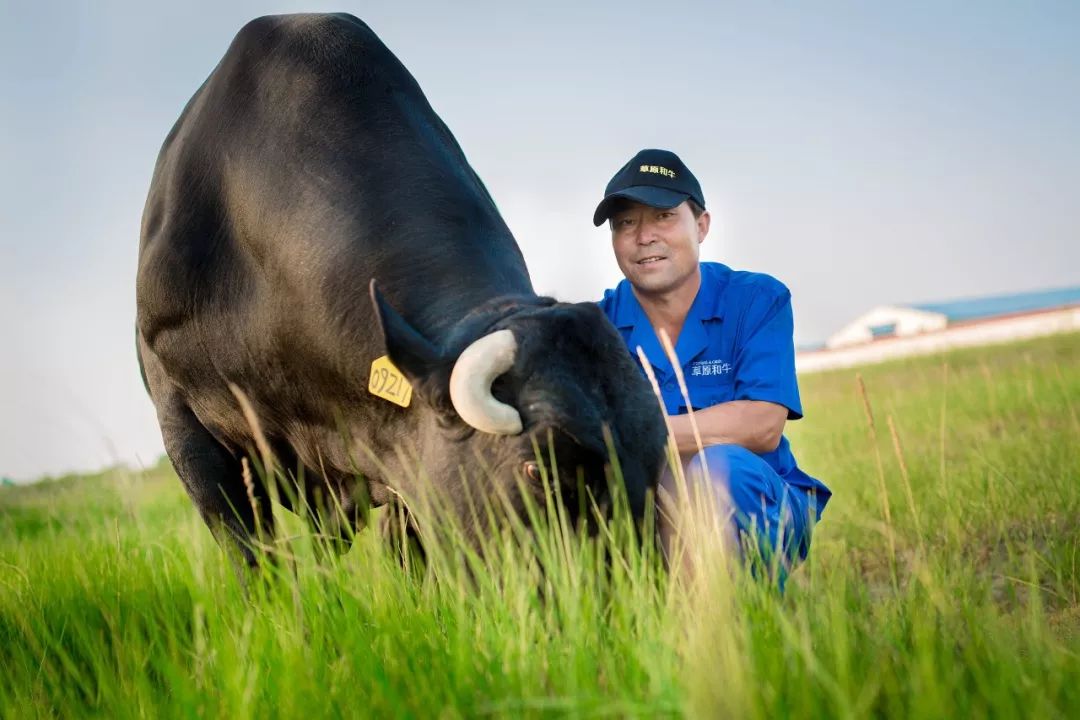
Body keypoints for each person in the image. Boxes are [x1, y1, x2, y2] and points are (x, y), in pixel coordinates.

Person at [594, 148, 831, 581]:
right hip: (642, 514)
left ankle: (731, 624)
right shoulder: (595, 327)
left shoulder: (756, 300)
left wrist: (630, 435)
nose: (644, 235)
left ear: (701, 225)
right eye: (626, 223)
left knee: (716, 470)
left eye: (663, 216)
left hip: (755, 501)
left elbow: (761, 424)